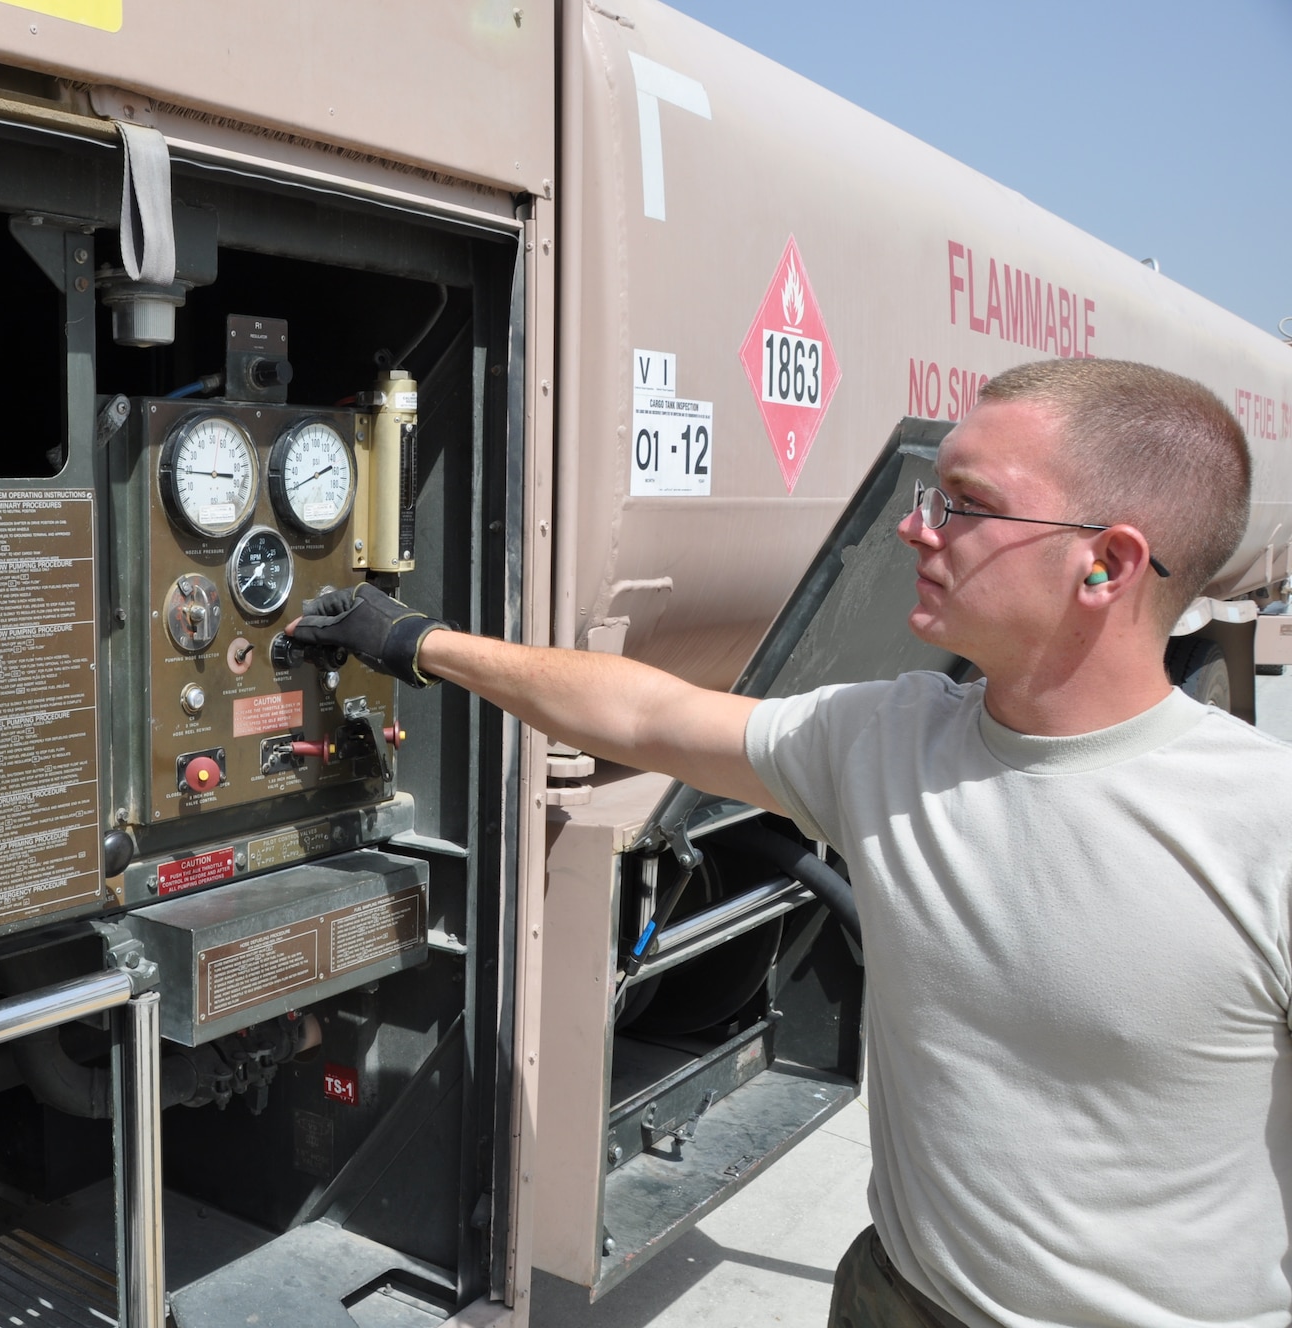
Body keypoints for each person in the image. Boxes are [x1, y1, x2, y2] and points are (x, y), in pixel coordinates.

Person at [287, 358, 1292, 1328]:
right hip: (894, 1292)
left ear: (1105, 563)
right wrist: (414, 640)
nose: (912, 525)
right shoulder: (887, 739)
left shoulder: (1262, 829)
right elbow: (649, 716)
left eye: (961, 502)